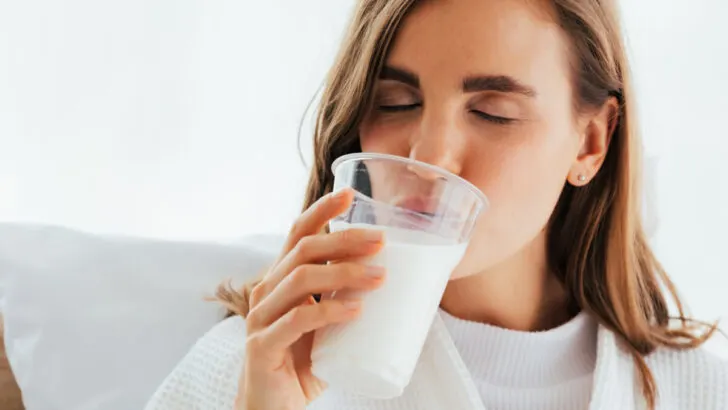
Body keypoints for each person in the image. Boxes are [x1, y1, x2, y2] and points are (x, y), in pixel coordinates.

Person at [145, 0, 728, 409]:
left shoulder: (702, 392)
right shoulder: (251, 369)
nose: (430, 156)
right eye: (396, 102)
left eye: (492, 112)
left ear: (592, 142)